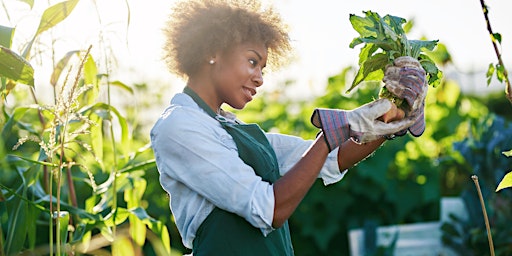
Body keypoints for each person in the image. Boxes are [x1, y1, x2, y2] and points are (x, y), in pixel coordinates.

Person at [150, 0, 427, 255]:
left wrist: (393, 116)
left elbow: (331, 157)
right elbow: (267, 210)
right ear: (213, 52)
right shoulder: (179, 127)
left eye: (263, 68)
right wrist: (330, 135)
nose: (259, 79)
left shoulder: (232, 129)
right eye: (252, 62)